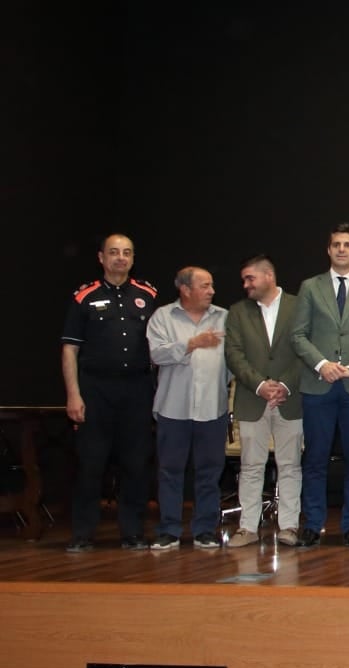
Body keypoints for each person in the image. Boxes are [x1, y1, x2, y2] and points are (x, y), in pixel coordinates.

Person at [289, 222, 349, 548]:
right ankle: (313, 524)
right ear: (328, 250)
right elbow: (298, 335)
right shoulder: (310, 287)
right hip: (319, 384)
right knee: (315, 458)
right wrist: (322, 364)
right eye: (336, 245)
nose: (342, 249)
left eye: (347, 245)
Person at [61, 233, 159, 553]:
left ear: (133, 259)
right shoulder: (84, 297)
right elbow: (70, 350)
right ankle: (83, 534)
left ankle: (132, 532)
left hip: (137, 390)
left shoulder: (149, 294)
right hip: (96, 390)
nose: (121, 258)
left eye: (127, 253)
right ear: (101, 257)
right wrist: (73, 395)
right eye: (114, 252)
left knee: (135, 463)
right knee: (91, 464)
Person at [145, 267, 230, 550]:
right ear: (185, 289)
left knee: (209, 471)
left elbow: (232, 362)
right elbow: (156, 354)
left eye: (212, 285)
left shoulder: (224, 317)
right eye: (205, 286)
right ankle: (169, 529)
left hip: (212, 407)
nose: (211, 291)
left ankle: (205, 529)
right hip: (173, 408)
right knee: (170, 471)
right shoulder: (163, 317)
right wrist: (192, 344)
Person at [223, 256, 303, 547]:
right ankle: (247, 527)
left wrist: (283, 384)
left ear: (268, 275)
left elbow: (306, 350)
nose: (245, 285)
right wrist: (259, 385)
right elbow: (233, 354)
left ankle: (290, 526)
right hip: (251, 399)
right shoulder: (237, 312)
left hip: (289, 399)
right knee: (251, 465)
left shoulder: (299, 306)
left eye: (250, 278)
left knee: (290, 465)